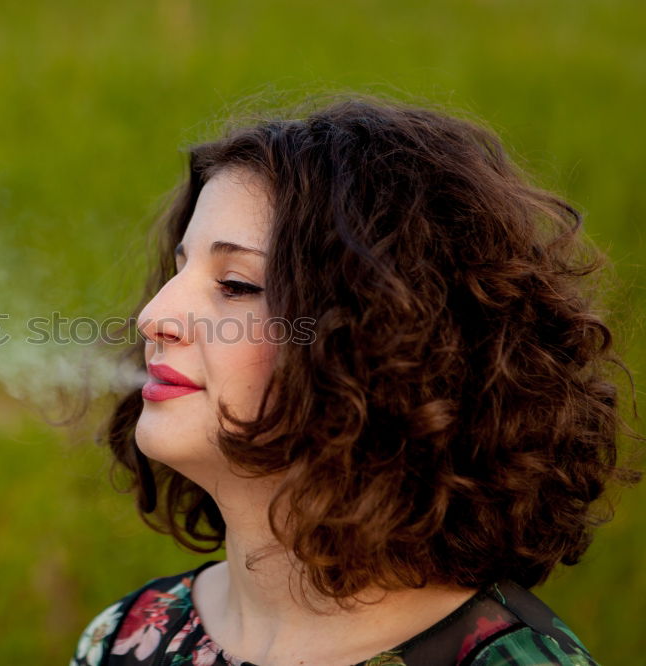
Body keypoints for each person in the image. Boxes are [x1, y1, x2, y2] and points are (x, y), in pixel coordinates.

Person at [69, 96, 642, 666]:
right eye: (178, 269)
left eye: (237, 285)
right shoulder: (123, 640)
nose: (153, 317)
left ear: (381, 347)